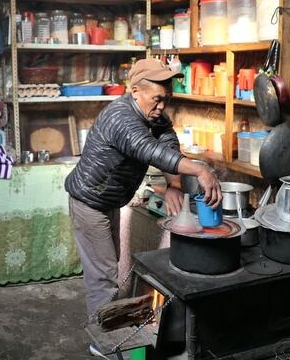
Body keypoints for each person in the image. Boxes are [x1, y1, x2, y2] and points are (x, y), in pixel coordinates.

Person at [65, 58, 222, 320]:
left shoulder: (151, 112)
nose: (162, 107)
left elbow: (167, 138)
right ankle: (103, 342)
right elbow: (147, 149)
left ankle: (106, 327)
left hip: (109, 200)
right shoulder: (121, 117)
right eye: (157, 99)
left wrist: (173, 184)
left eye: (167, 99)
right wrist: (199, 169)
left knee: (108, 265)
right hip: (89, 203)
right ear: (135, 91)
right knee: (103, 277)